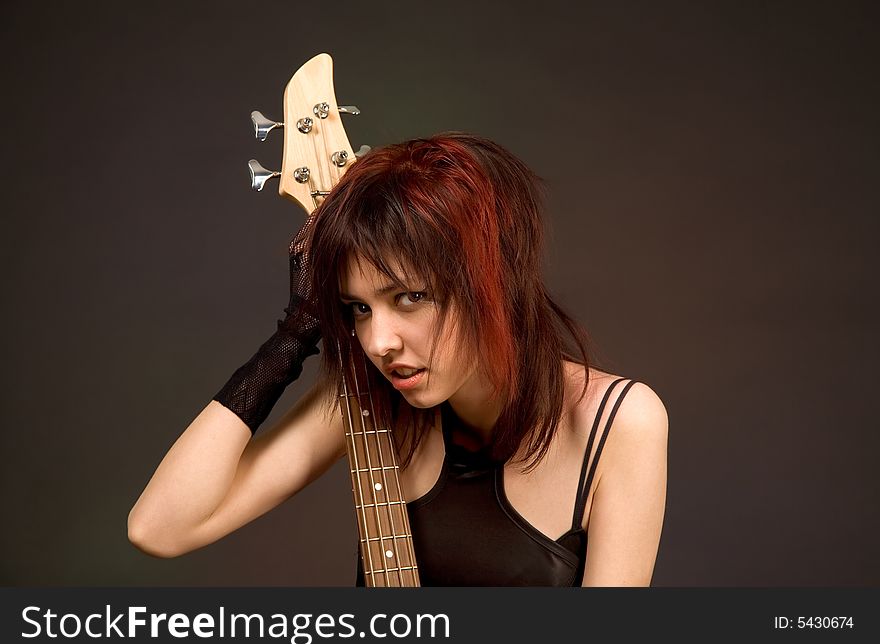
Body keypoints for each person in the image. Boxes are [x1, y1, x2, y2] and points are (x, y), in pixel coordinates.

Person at [128, 132, 668, 586]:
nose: (378, 341)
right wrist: (292, 338)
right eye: (357, 308)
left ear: (491, 286)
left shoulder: (619, 423)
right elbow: (159, 528)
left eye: (409, 297)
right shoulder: (369, 401)